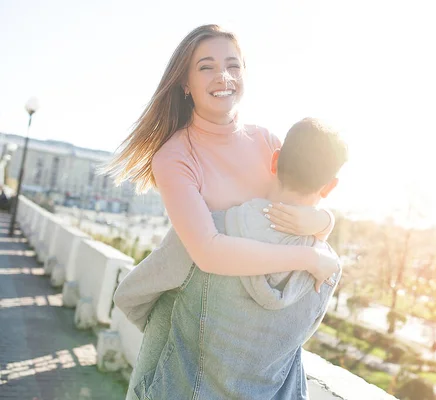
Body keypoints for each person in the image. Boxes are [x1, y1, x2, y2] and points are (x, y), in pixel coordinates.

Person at [102, 24, 341, 399]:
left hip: (247, 340)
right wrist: (309, 256)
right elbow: (207, 251)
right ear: (185, 82)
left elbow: (297, 207)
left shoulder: (266, 141)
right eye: (206, 67)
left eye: (233, 65)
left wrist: (326, 220)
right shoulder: (175, 156)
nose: (223, 77)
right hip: (188, 331)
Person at [127, 117, 348, 399]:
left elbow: (135, 295)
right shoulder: (328, 267)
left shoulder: (207, 232)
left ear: (275, 161)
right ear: (330, 187)